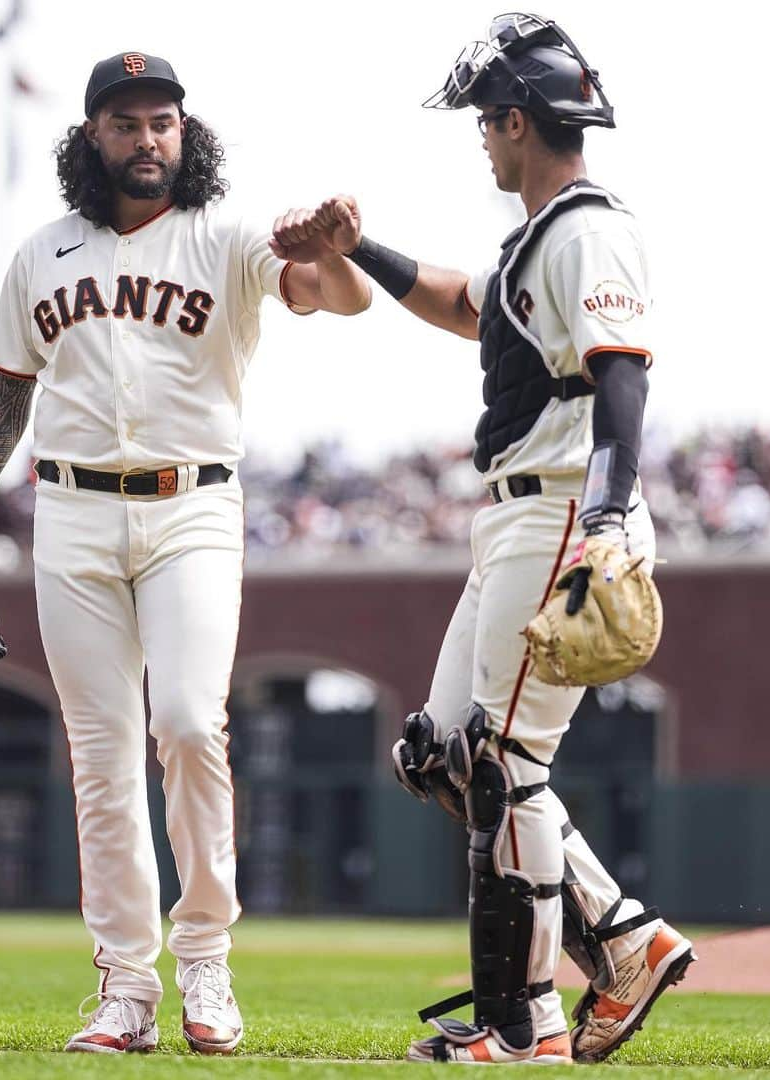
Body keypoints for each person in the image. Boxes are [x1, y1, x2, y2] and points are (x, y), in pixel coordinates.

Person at [0, 51, 369, 1055]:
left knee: (188, 721)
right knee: (101, 756)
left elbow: (335, 299)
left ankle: (203, 953)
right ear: (92, 139)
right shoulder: (43, 254)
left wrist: (338, 251)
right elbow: (7, 393)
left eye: (162, 120)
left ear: (184, 131)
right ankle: (126, 987)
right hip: (70, 515)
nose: (147, 138)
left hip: (192, 508)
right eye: (126, 123)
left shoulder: (227, 236)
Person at [282, 12, 694, 1066]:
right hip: (517, 510)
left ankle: (525, 1026)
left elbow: (623, 376)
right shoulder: (538, 235)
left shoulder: (590, 228)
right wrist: (355, 250)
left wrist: (606, 514)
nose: (478, 135)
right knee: (444, 754)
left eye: (484, 119)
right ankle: (626, 941)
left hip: (561, 505)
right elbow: (467, 305)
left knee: (502, 761)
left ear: (517, 120)